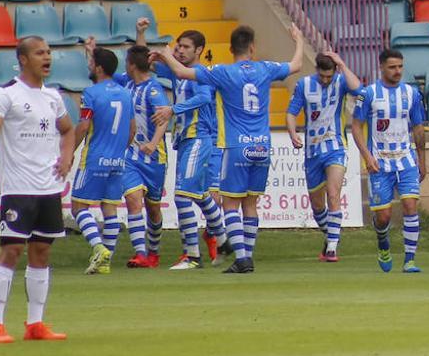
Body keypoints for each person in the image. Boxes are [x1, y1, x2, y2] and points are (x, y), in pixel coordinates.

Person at [151, 23, 304, 273]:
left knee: (231, 205)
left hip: (236, 146)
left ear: (231, 48)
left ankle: (242, 258)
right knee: (251, 205)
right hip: (263, 145)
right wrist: (298, 40)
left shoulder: (222, 72)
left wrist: (167, 55)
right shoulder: (265, 68)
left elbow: (181, 73)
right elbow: (296, 65)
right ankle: (248, 256)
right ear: (252, 48)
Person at [0, 36, 73, 343]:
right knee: (11, 250)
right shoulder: (5, 94)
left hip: (48, 189)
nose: (47, 57)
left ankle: (35, 324)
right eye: (39, 53)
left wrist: (67, 157)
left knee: (42, 252)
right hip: (18, 188)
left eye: (49, 52)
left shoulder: (53, 96)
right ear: (23, 59)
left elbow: (68, 129)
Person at [139, 21, 227, 270]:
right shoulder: (178, 74)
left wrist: (172, 109)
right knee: (199, 195)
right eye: (177, 47)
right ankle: (223, 240)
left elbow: (204, 97)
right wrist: (142, 36)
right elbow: (144, 65)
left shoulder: (204, 74)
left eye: (185, 47)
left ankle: (193, 256)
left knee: (181, 197)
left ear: (198, 50)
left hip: (200, 138)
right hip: (187, 140)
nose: (179, 51)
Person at [87, 38, 171, 268]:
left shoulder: (153, 89)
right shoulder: (126, 82)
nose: (125, 65)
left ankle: (153, 252)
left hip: (154, 157)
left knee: (153, 208)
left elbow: (164, 117)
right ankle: (141, 253)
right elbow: (101, 74)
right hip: (132, 155)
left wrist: (154, 143)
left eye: (127, 61)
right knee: (133, 201)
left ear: (132, 65)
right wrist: (91, 53)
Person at [351, 49, 426, 273]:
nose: (397, 71)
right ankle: (383, 243)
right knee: (383, 216)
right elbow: (356, 127)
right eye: (393, 67)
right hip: (380, 163)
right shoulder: (368, 94)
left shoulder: (412, 93)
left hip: (406, 160)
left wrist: (422, 160)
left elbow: (419, 127)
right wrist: (367, 156)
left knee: (410, 206)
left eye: (400, 66)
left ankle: (410, 260)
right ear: (382, 67)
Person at [286, 52, 361, 262]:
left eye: (329, 76)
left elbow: (358, 89)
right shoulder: (304, 85)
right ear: (316, 70)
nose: (326, 80)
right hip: (312, 151)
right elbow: (291, 112)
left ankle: (332, 249)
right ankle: (331, 236)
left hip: (335, 146)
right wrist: (292, 134)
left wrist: (342, 64)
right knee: (317, 205)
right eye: (322, 76)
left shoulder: (341, 82)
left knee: (333, 193)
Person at [71, 46, 135, 275]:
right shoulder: (126, 93)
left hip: (95, 159)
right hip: (118, 161)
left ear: (98, 68)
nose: (88, 65)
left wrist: (69, 152)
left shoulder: (90, 93)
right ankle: (105, 261)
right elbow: (132, 130)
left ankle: (98, 248)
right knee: (110, 210)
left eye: (90, 62)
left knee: (79, 207)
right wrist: (118, 150)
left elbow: (84, 126)